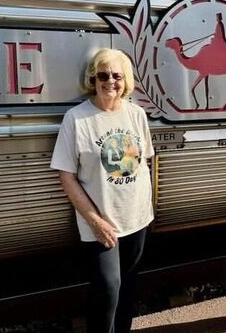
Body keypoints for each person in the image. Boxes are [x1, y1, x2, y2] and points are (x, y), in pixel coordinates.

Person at [50, 48, 154, 333]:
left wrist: (148, 208)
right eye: (103, 75)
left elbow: (145, 162)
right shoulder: (77, 118)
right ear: (93, 79)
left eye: (117, 76)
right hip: (100, 221)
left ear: (126, 80)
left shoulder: (136, 114)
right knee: (108, 289)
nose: (111, 81)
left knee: (129, 288)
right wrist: (94, 220)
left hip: (138, 218)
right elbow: (66, 176)